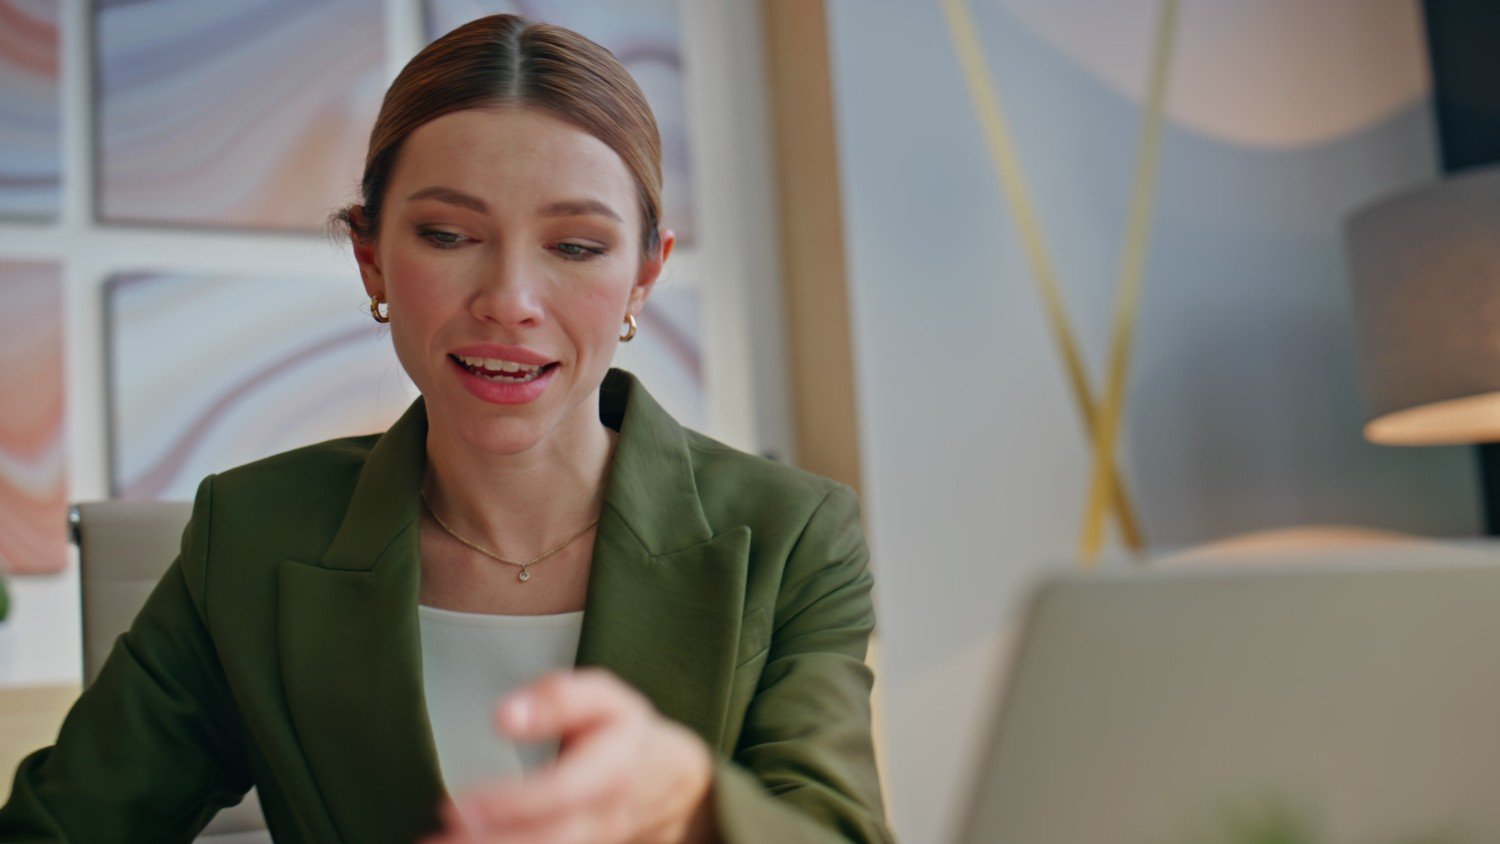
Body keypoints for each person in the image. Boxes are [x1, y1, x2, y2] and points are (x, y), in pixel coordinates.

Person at [0, 13, 890, 844]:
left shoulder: (793, 536)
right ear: (371, 257)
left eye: (576, 246)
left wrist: (697, 810)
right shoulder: (250, 536)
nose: (508, 302)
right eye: (448, 234)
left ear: (645, 276)